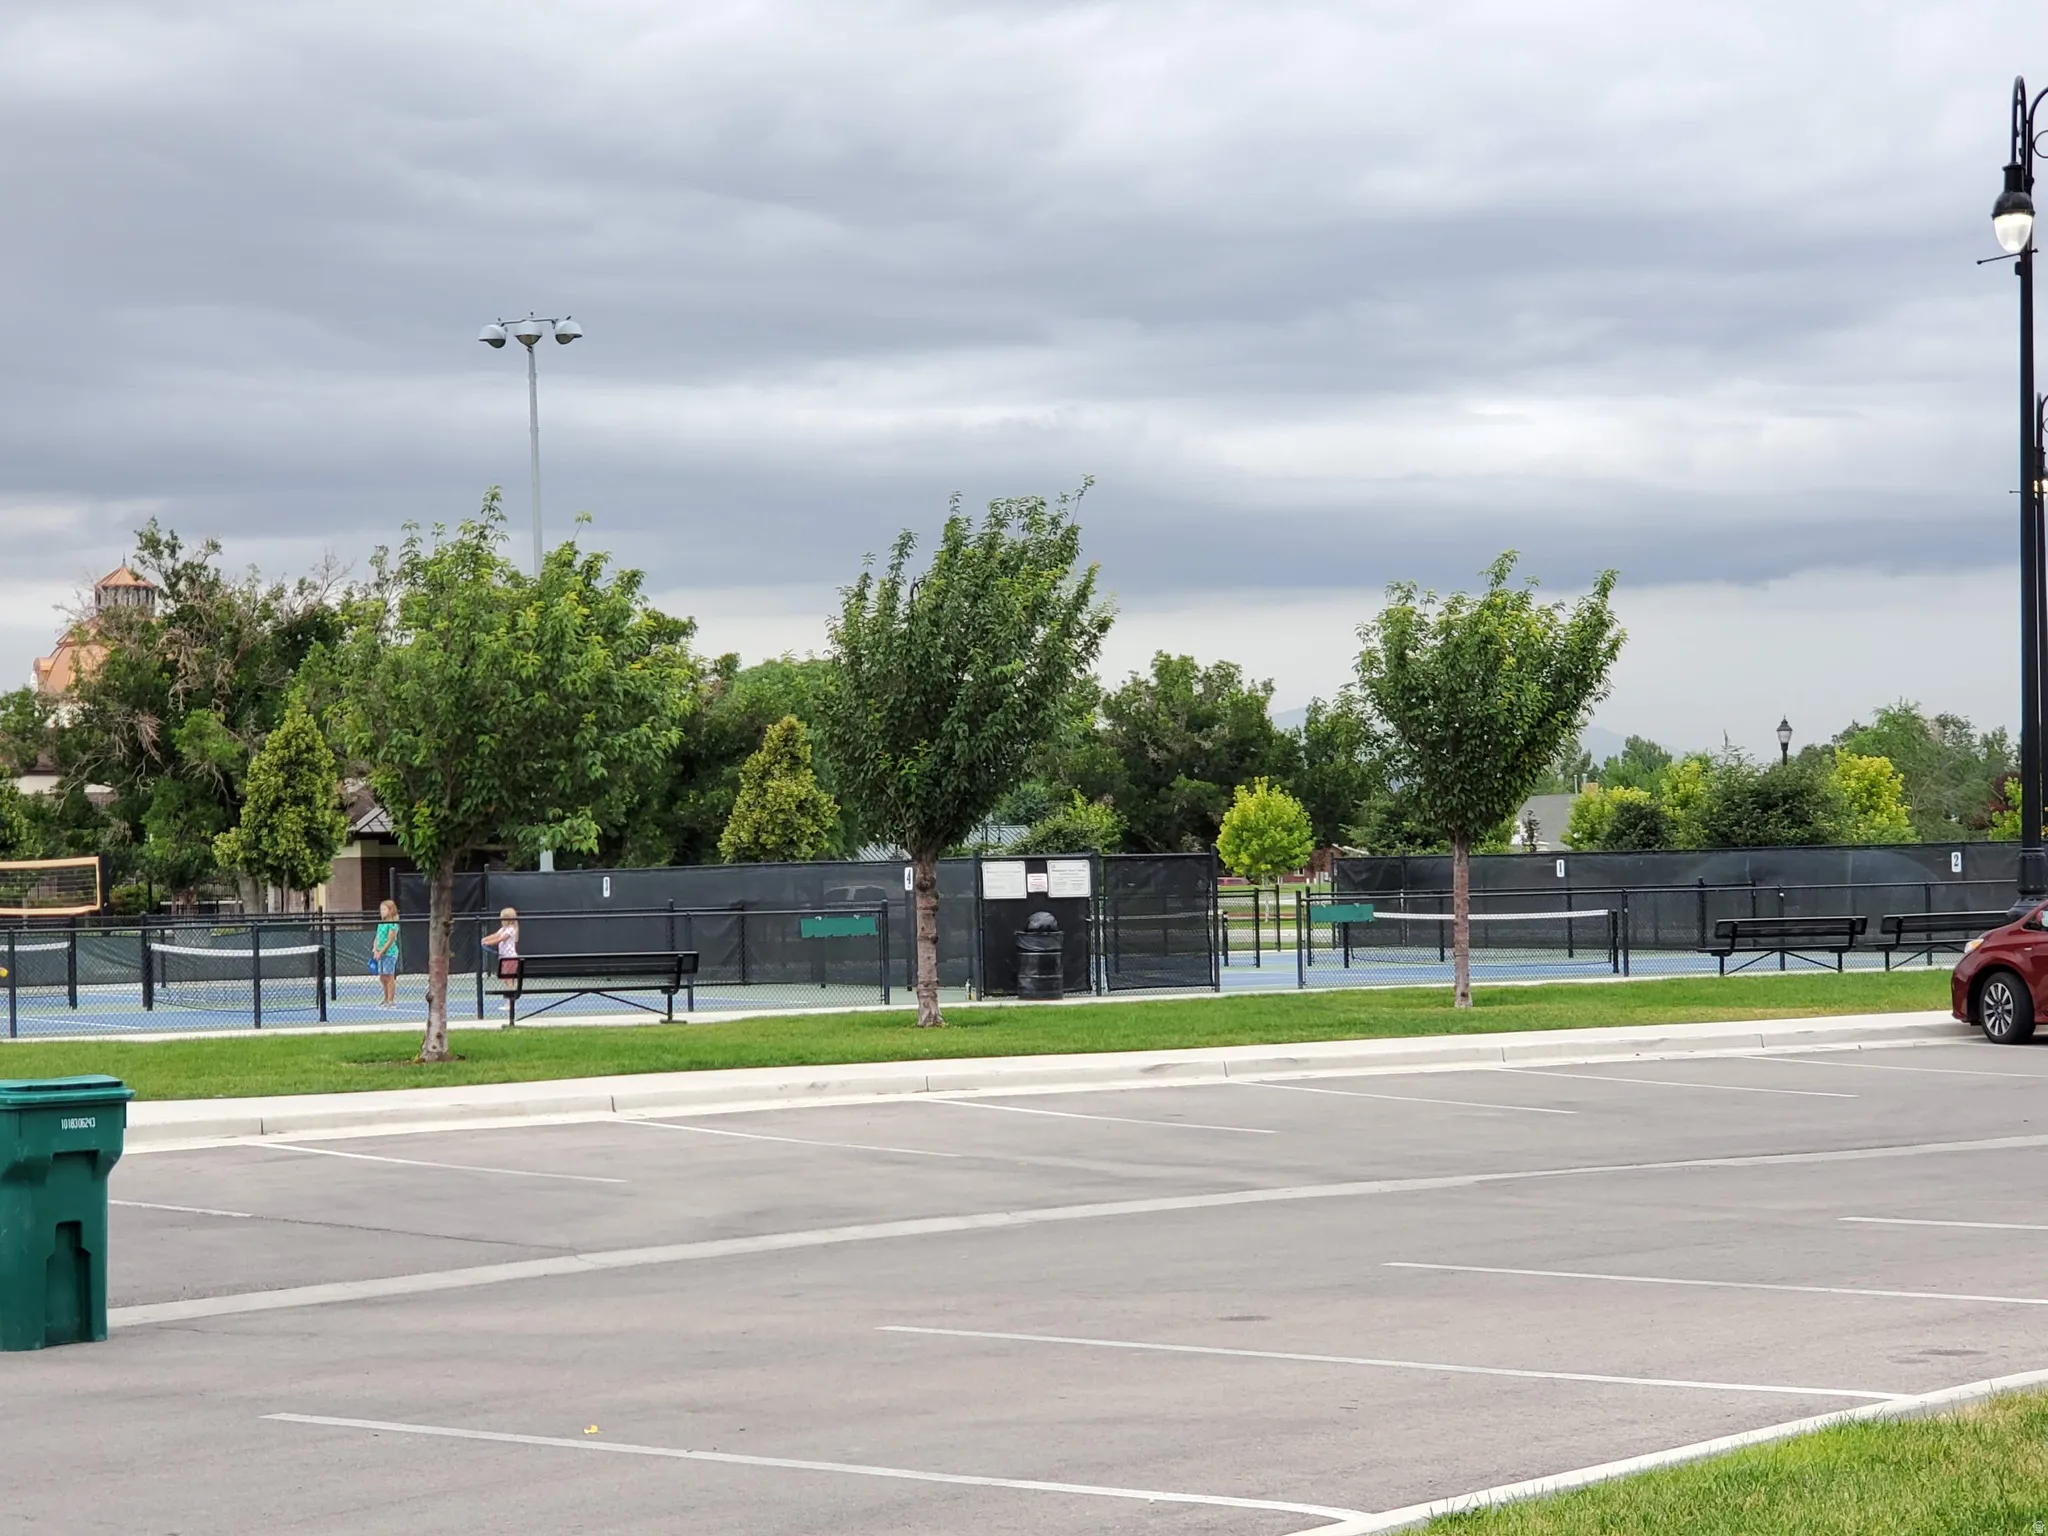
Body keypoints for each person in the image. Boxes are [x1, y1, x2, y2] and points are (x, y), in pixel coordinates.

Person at [481, 907, 521, 1013]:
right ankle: (510, 1001)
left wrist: (488, 943)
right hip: (504, 957)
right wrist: (485, 939)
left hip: (510, 957)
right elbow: (496, 935)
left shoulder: (511, 929)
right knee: (506, 979)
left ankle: (511, 1002)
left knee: (508, 979)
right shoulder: (503, 929)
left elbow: (500, 939)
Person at [371, 899, 401, 1007]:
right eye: (381, 909)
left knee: (389, 976)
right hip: (380, 954)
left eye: (384, 909)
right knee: (382, 977)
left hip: (389, 953)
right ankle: (385, 998)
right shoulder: (381, 924)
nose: (382, 911)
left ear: (390, 910)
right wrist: (375, 949)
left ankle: (390, 1000)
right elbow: (377, 937)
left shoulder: (392, 924)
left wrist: (381, 952)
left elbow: (390, 940)